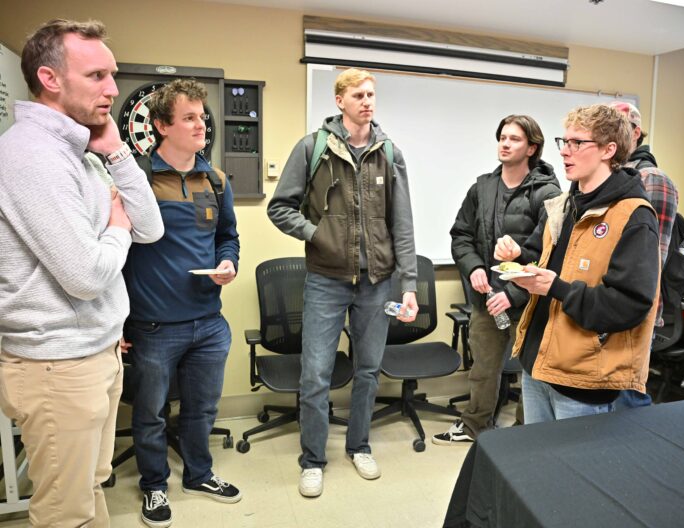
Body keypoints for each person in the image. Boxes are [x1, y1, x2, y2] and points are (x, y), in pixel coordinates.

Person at [0, 19, 163, 527]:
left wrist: (116, 151)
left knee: (90, 489)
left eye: (111, 75)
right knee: (64, 512)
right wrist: (116, 228)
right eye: (96, 76)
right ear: (50, 78)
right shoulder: (33, 155)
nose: (113, 89)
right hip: (56, 366)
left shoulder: (82, 148)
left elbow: (152, 228)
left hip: (95, 351)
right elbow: (87, 276)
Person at [268, 68, 418, 498]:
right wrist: (317, 235)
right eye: (358, 94)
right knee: (315, 374)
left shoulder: (389, 153)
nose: (367, 101)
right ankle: (313, 459)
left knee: (368, 371)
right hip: (326, 281)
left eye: (371, 94)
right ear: (340, 101)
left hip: (376, 282)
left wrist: (407, 283)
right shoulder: (313, 147)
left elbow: (401, 225)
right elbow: (280, 208)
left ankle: (359, 446)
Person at [122, 78, 241, 527]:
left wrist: (228, 264)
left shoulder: (215, 178)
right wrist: (117, 326)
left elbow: (227, 237)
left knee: (202, 409)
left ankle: (199, 473)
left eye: (201, 117)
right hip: (154, 326)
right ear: (160, 125)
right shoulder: (136, 179)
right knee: (151, 414)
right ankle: (153, 487)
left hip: (208, 322)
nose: (200, 125)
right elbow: (115, 252)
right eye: (188, 118)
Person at [494, 103, 660, 424]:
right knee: (539, 467)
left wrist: (554, 287)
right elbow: (536, 257)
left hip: (583, 381)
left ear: (608, 150)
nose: (565, 152)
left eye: (577, 143)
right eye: (564, 142)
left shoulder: (633, 216)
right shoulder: (563, 205)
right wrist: (516, 259)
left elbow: (629, 305)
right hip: (537, 365)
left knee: (570, 472)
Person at [432, 115, 560, 446]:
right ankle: (475, 426)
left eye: (514, 139)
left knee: (532, 372)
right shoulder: (482, 188)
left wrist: (514, 294)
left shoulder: (548, 193)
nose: (505, 143)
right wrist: (473, 266)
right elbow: (461, 235)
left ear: (532, 147)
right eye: (502, 137)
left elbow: (549, 252)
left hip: (528, 301)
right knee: (483, 370)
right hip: (485, 299)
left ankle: (525, 433)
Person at [610, 101, 679, 410]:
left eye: (615, 128)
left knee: (627, 397)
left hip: (633, 309)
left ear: (635, 132)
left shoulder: (653, 181)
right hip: (602, 304)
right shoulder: (609, 176)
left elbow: (652, 258)